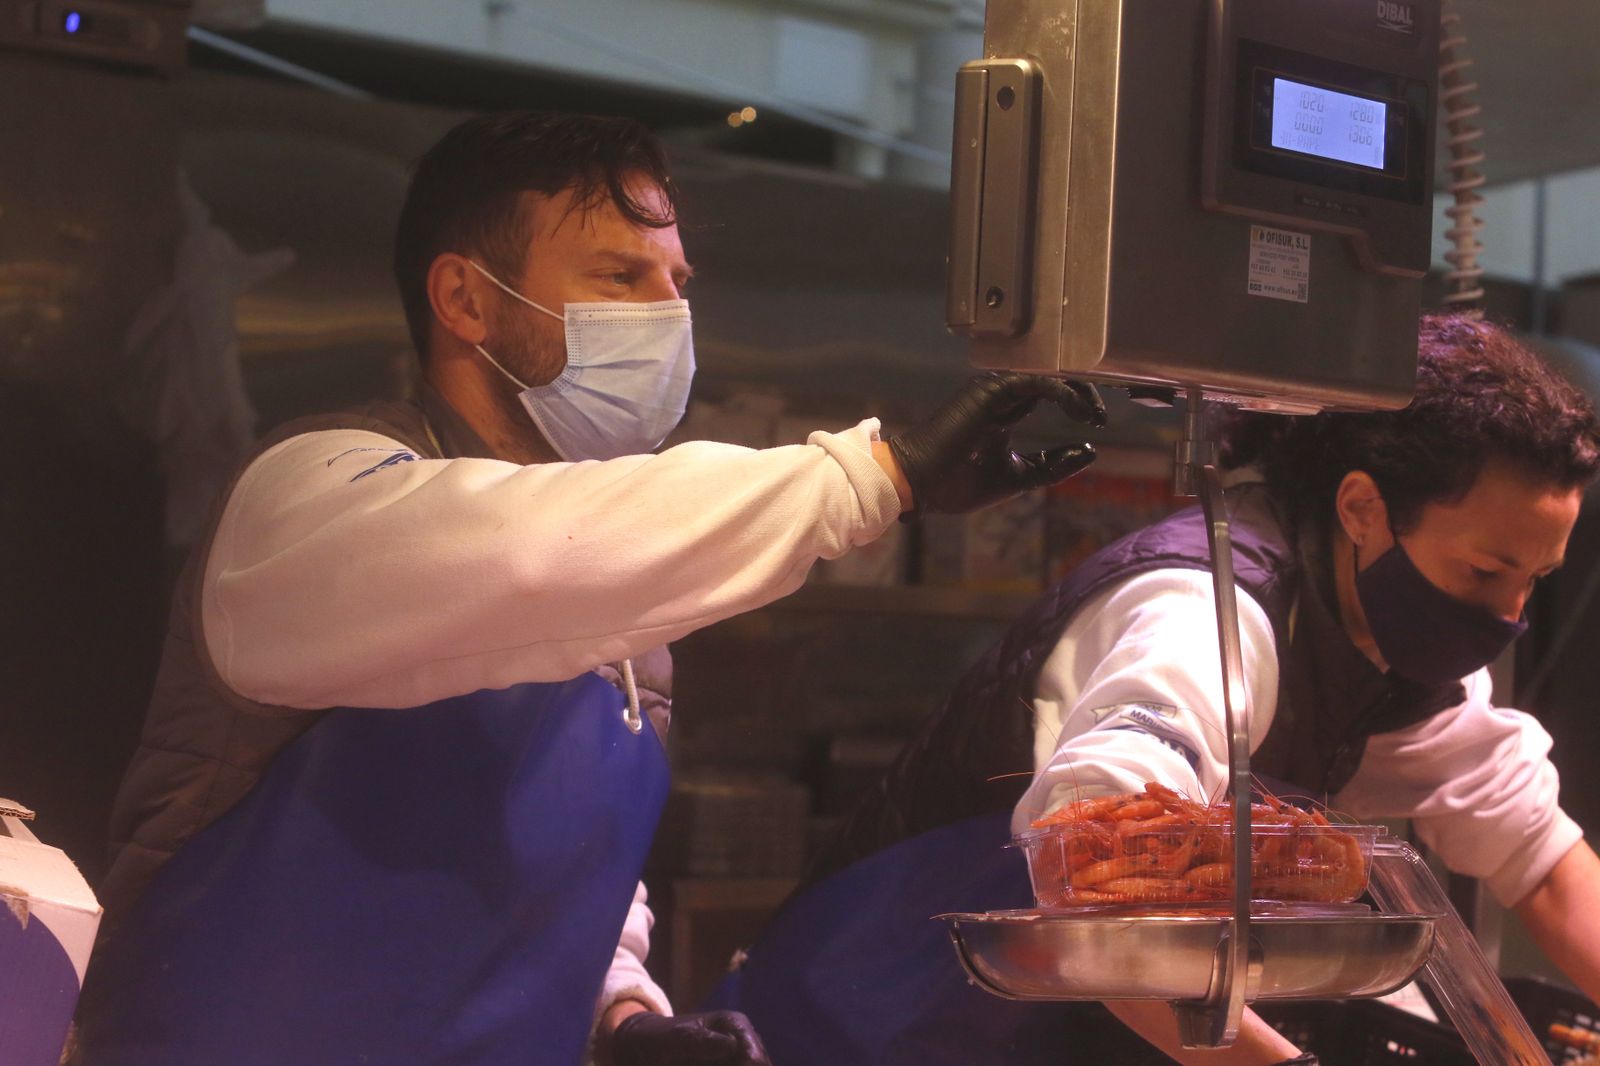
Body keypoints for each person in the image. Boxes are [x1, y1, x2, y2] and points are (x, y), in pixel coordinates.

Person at [69, 111, 1105, 1066]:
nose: (669, 316)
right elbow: (514, 558)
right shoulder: (305, 495)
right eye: (620, 277)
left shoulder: (625, 599)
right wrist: (869, 478)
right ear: (465, 298)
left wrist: (619, 1007)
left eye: (677, 282)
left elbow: (550, 858)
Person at [709, 311, 1600, 1065]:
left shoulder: (1388, 645)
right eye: (1486, 571)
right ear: (1363, 509)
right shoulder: (1202, 611)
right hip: (868, 1022)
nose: (1508, 612)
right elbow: (1108, 890)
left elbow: (1549, 869)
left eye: (1535, 580)